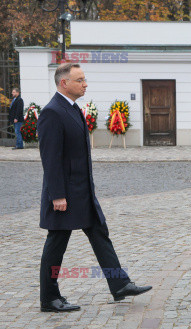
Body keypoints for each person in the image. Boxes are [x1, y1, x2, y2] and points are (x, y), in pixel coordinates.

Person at [37, 63, 151, 312]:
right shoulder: (52, 112)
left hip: (83, 192)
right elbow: (51, 158)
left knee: (100, 233)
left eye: (85, 79)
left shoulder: (73, 109)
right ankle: (49, 298)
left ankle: (120, 284)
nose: (85, 83)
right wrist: (57, 195)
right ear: (64, 83)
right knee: (56, 243)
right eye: (80, 80)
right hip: (64, 195)